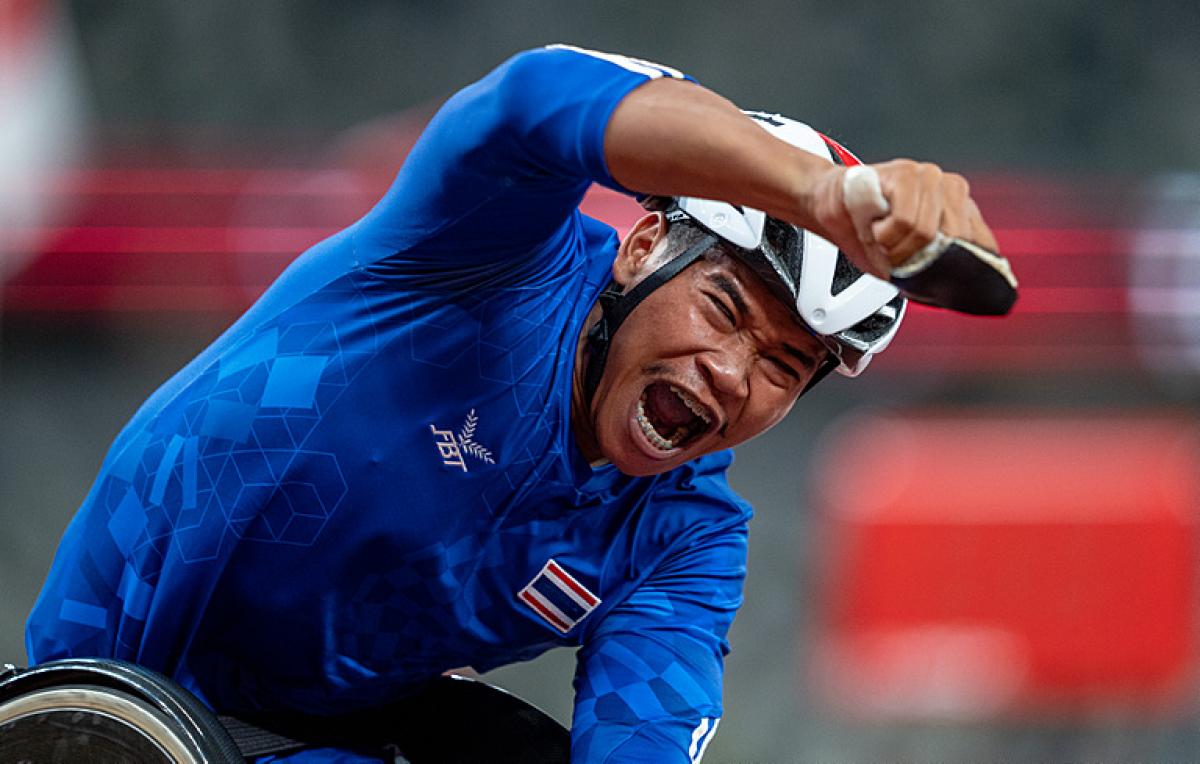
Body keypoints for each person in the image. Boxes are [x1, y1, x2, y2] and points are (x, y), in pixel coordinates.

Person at [25, 44, 1003, 762]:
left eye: (786, 367)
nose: (734, 374)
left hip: (317, 734)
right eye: (724, 309)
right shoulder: (481, 254)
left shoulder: (684, 543)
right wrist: (820, 196)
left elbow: (643, 740)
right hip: (111, 677)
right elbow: (538, 97)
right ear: (643, 245)